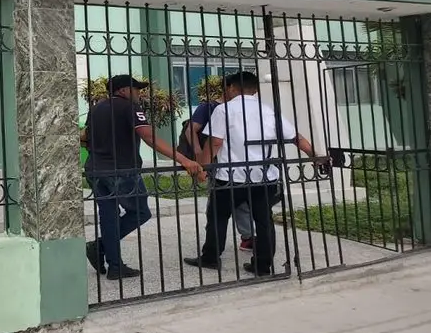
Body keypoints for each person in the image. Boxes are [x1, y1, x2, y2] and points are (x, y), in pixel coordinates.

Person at [184, 71, 327, 276]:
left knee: (218, 216)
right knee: (263, 220)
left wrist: (202, 169)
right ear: (255, 90)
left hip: (230, 177)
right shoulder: (268, 111)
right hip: (264, 176)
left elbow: (215, 142)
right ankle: (262, 265)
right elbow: (296, 137)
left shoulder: (224, 110)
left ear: (232, 88)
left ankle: (210, 257)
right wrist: (315, 156)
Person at [83, 75, 206, 280]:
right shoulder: (129, 107)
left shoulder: (96, 108)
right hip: (122, 170)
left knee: (108, 214)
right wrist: (184, 160)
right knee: (140, 212)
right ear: (123, 90)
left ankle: (114, 264)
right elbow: (149, 137)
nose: (139, 93)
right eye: (136, 89)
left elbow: (86, 137)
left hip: (95, 170)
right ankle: (100, 246)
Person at [176, 78, 255, 252]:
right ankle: (217, 244)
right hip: (214, 161)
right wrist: (200, 156)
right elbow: (191, 130)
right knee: (218, 204)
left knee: (239, 201)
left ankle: (246, 237)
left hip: (236, 161)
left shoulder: (241, 109)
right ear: (229, 89)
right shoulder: (209, 107)